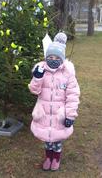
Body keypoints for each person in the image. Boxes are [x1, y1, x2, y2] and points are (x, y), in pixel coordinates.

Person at [28, 32, 80, 171]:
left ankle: (56, 158)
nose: (53, 59)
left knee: (57, 140)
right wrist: (37, 78)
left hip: (59, 115)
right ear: (46, 58)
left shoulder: (68, 74)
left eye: (56, 57)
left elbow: (73, 96)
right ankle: (48, 158)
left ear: (61, 59)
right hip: (44, 113)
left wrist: (70, 115)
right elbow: (34, 90)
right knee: (47, 141)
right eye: (50, 57)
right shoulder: (41, 70)